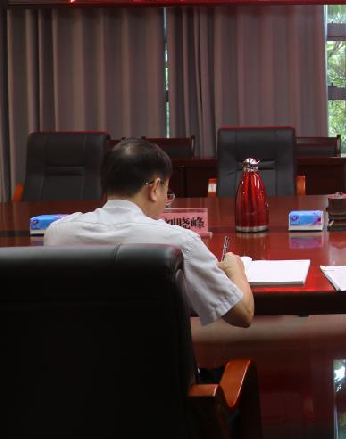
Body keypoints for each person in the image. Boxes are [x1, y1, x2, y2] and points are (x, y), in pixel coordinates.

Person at [45, 138, 254, 329]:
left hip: (75, 358)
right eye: (166, 192)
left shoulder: (57, 234)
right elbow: (242, 314)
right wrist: (236, 270)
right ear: (154, 188)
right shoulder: (179, 243)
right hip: (157, 360)